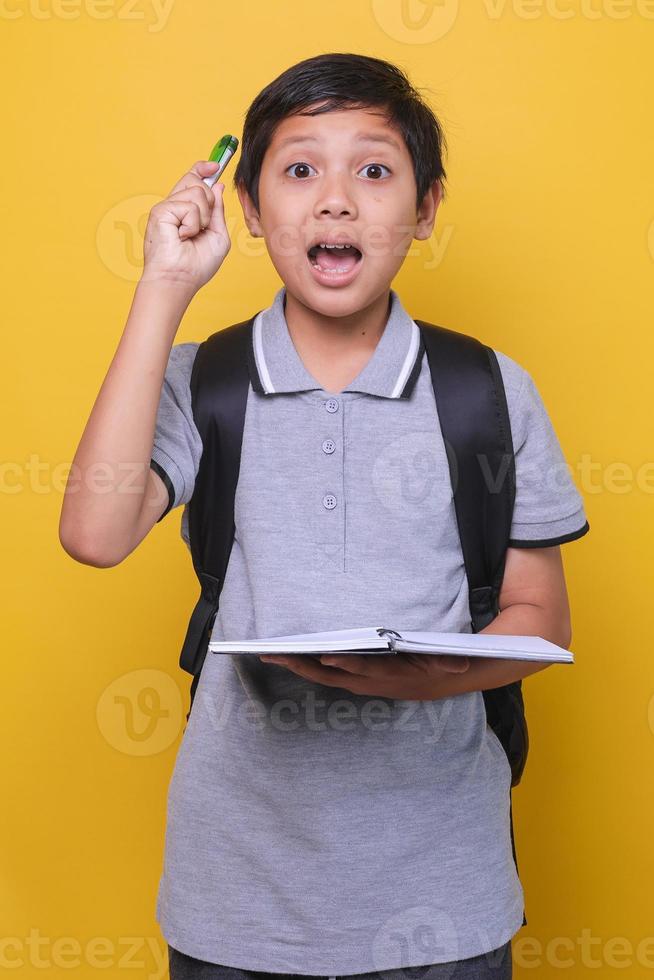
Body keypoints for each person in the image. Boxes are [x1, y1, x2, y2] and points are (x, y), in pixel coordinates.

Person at [60, 52, 590, 980]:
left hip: (446, 898)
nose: (336, 200)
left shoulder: (489, 391)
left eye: (375, 170)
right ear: (254, 211)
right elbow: (94, 536)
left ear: (426, 208)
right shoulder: (202, 381)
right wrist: (163, 288)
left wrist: (420, 680)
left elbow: (539, 617)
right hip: (236, 901)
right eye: (300, 169)